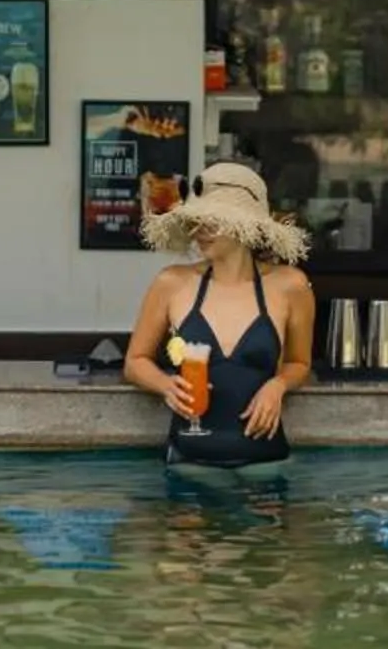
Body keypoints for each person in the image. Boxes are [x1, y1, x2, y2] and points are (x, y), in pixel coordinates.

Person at [122, 162, 314, 469]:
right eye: (196, 221)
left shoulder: (290, 285)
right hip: (188, 467)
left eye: (211, 222)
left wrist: (278, 386)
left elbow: (299, 363)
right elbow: (134, 362)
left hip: (265, 468)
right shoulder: (171, 282)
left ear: (244, 225)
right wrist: (165, 385)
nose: (199, 232)